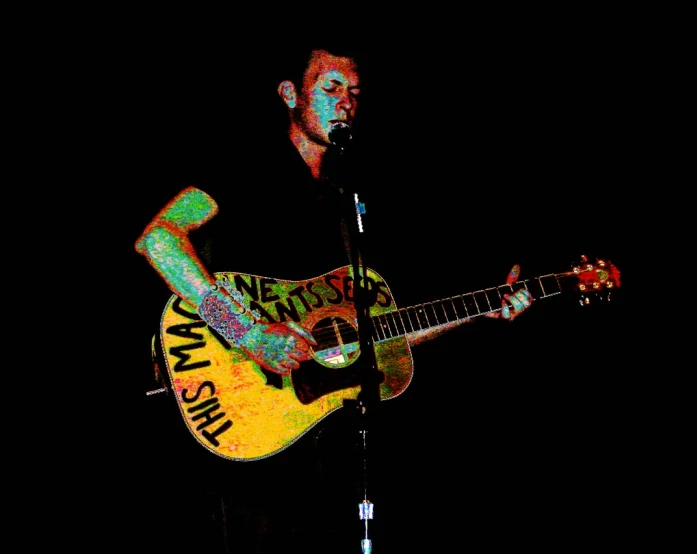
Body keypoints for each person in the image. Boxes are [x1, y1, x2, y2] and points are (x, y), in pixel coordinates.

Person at [133, 40, 535, 553]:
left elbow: (375, 334)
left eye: (355, 93)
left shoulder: (350, 202)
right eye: (330, 88)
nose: (346, 102)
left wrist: (485, 308)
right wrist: (250, 333)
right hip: (240, 414)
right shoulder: (239, 167)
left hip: (322, 442)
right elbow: (159, 239)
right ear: (289, 94)